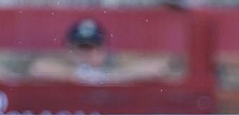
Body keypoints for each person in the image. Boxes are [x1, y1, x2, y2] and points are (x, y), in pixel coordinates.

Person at [28, 18, 179, 85]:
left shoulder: (114, 63)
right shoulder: (61, 65)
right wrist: (79, 74)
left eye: (93, 47)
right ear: (70, 49)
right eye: (82, 47)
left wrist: (105, 77)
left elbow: (157, 68)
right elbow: (38, 68)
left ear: (103, 49)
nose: (88, 53)